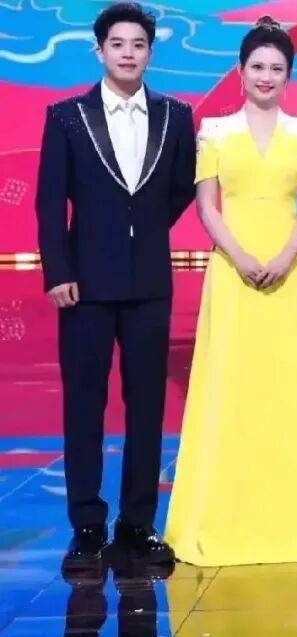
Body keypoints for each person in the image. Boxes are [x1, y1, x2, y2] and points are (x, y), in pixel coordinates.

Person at [163, 17, 297, 566]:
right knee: (230, 385)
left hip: (289, 271)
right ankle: (222, 515)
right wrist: (240, 257)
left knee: (286, 387)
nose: (266, 76)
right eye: (257, 66)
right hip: (231, 270)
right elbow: (206, 205)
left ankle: (294, 521)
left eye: (276, 68)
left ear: (289, 74)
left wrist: (285, 256)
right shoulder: (214, 132)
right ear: (240, 71)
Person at [35, 2, 195, 571]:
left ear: (151, 52)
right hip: (84, 284)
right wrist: (59, 271)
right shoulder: (67, 117)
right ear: (99, 50)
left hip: (149, 280)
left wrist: (141, 232)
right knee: (85, 401)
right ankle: (86, 524)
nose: (128, 53)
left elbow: (180, 189)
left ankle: (137, 522)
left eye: (138, 44)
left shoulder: (176, 115)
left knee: (146, 403)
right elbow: (50, 201)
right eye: (118, 44)